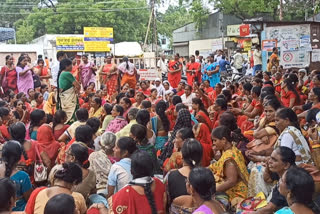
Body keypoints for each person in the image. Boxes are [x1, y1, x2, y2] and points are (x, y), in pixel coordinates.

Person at [93, 150, 166, 214]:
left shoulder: (123, 195)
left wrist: (101, 208)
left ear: (131, 171)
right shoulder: (159, 183)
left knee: (94, 210)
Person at [209, 126, 249, 203]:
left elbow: (232, 181)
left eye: (215, 140)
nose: (213, 143)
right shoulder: (230, 149)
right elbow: (217, 164)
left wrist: (213, 191)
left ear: (224, 140)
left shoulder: (229, 157)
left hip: (237, 192)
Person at [253, 147, 296, 214]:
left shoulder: (287, 181)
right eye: (270, 158)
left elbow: (270, 208)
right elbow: (267, 179)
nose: (270, 161)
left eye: (274, 160)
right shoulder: (282, 170)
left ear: (286, 165)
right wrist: (268, 166)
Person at [166, 139, 203, 205]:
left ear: (182, 155)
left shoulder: (171, 175)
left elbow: (167, 200)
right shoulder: (207, 175)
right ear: (200, 157)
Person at [0, 141, 33, 211]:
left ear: (2, 154)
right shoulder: (23, 176)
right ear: (19, 157)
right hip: (19, 210)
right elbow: (29, 199)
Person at [57, 58, 81, 124]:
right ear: (66, 66)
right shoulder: (67, 74)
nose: (72, 67)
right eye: (71, 65)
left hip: (65, 98)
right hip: (69, 98)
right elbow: (78, 86)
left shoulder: (62, 73)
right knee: (72, 114)